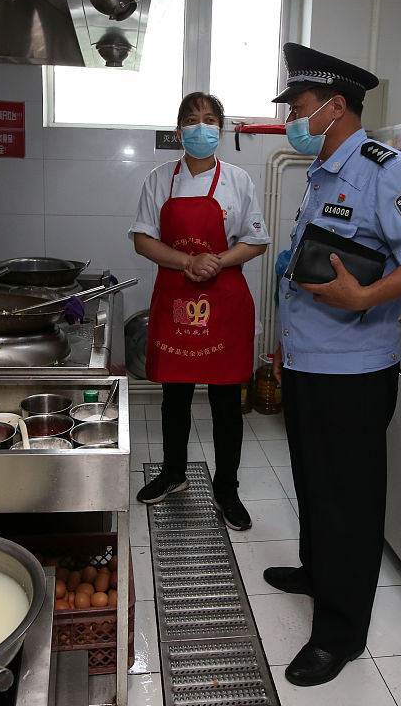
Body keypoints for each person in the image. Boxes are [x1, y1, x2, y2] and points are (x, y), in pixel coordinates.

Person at [264, 44, 401, 686]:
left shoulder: (387, 170)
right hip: (309, 360)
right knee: (314, 480)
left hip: (353, 370)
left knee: (348, 499)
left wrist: (366, 296)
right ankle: (319, 574)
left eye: (297, 105)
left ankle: (341, 633)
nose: (291, 114)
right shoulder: (322, 170)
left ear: (334, 105)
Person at [128, 92, 271, 531]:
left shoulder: (238, 180)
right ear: (179, 131)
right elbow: (142, 239)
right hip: (176, 302)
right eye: (192, 120)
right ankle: (174, 474)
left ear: (221, 131)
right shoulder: (159, 180)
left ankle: (226, 490)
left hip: (224, 302)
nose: (201, 127)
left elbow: (257, 239)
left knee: (227, 403)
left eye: (210, 120)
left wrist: (218, 261)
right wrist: (187, 262)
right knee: (175, 395)